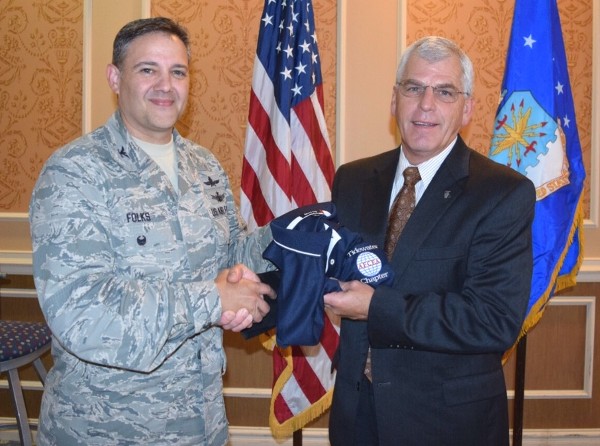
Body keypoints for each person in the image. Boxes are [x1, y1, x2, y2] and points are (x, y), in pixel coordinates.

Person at [29, 17, 275, 445]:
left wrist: (291, 238)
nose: (166, 85)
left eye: (177, 72)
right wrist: (212, 298)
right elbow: (82, 311)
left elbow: (230, 254)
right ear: (114, 77)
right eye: (148, 70)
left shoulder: (205, 166)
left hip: (202, 421)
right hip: (108, 428)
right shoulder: (75, 172)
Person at [323, 36, 536, 446]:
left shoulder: (502, 193)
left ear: (467, 108)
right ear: (394, 99)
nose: (425, 105)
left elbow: (492, 320)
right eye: (414, 88)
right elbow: (333, 269)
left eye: (444, 92)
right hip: (357, 415)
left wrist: (375, 307)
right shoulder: (352, 179)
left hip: (447, 423)